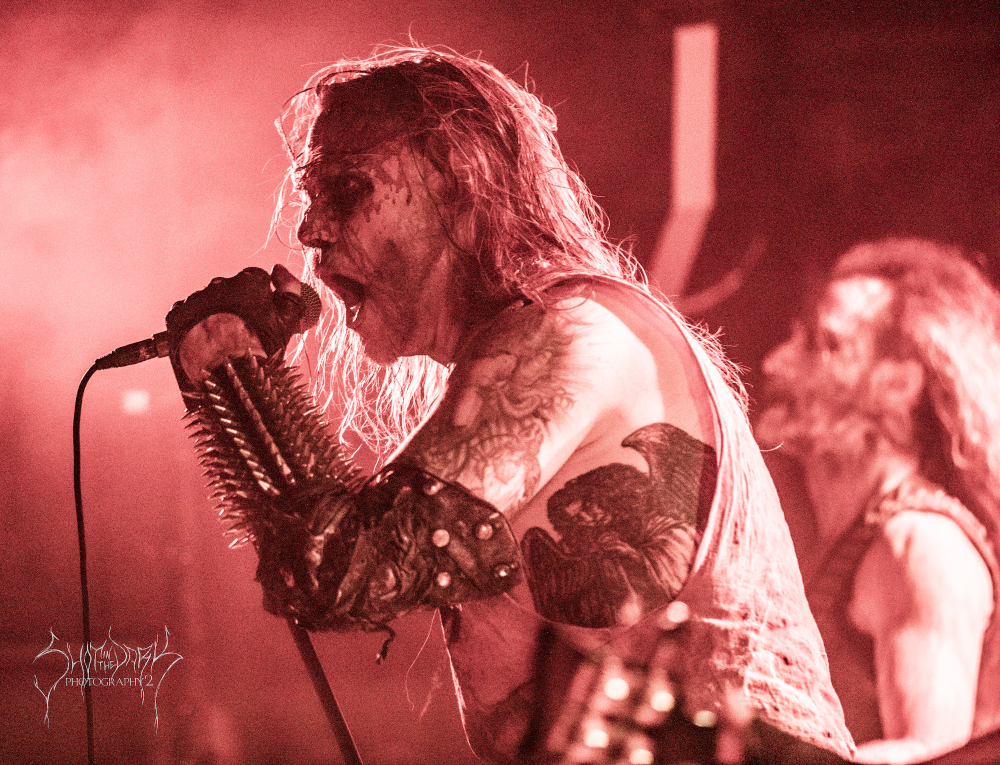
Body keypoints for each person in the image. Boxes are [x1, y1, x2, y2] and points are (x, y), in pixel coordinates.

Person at [164, 46, 853, 763]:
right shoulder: (528, 349)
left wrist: (234, 371)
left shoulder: (564, 335)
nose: (310, 231)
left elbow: (340, 566)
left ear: (459, 185)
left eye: (345, 189)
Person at [756, 238, 1000, 764]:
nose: (777, 362)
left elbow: (927, 755)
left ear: (897, 385)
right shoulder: (834, 526)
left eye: (823, 343)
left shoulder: (923, 547)